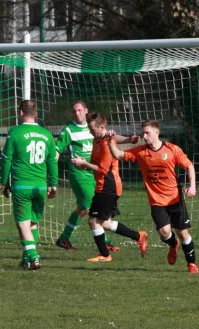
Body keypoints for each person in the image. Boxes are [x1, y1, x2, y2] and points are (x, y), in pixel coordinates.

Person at [107, 120, 199, 274]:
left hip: (175, 199)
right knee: (164, 232)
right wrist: (110, 141)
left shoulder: (172, 149)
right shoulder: (141, 152)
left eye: (147, 132)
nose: (144, 136)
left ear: (157, 133)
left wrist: (193, 186)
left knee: (183, 232)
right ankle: (172, 244)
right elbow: (117, 154)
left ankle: (192, 264)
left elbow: (189, 165)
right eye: (143, 132)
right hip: (156, 201)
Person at [55, 100, 139, 251]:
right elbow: (57, 150)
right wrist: (51, 172)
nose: (77, 113)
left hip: (96, 174)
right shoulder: (69, 130)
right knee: (89, 208)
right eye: (74, 111)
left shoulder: (93, 127)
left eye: (80, 110)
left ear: (86, 111)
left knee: (84, 209)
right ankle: (105, 244)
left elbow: (111, 137)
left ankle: (64, 238)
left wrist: (128, 140)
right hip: (79, 174)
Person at [71, 112, 148, 263]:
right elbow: (113, 136)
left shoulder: (106, 145)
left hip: (108, 187)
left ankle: (105, 255)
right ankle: (139, 236)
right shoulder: (99, 138)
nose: (90, 132)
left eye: (93, 129)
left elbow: (102, 170)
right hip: (105, 186)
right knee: (104, 222)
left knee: (93, 221)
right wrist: (127, 139)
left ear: (101, 127)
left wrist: (84, 164)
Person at [1, 100, 58, 270]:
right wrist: (53, 184)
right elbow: (52, 162)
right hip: (40, 186)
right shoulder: (47, 134)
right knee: (32, 223)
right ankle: (27, 260)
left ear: (20, 113)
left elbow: (7, 160)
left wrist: (4, 182)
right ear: (36, 113)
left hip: (22, 185)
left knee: (22, 223)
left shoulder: (15, 133)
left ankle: (34, 256)